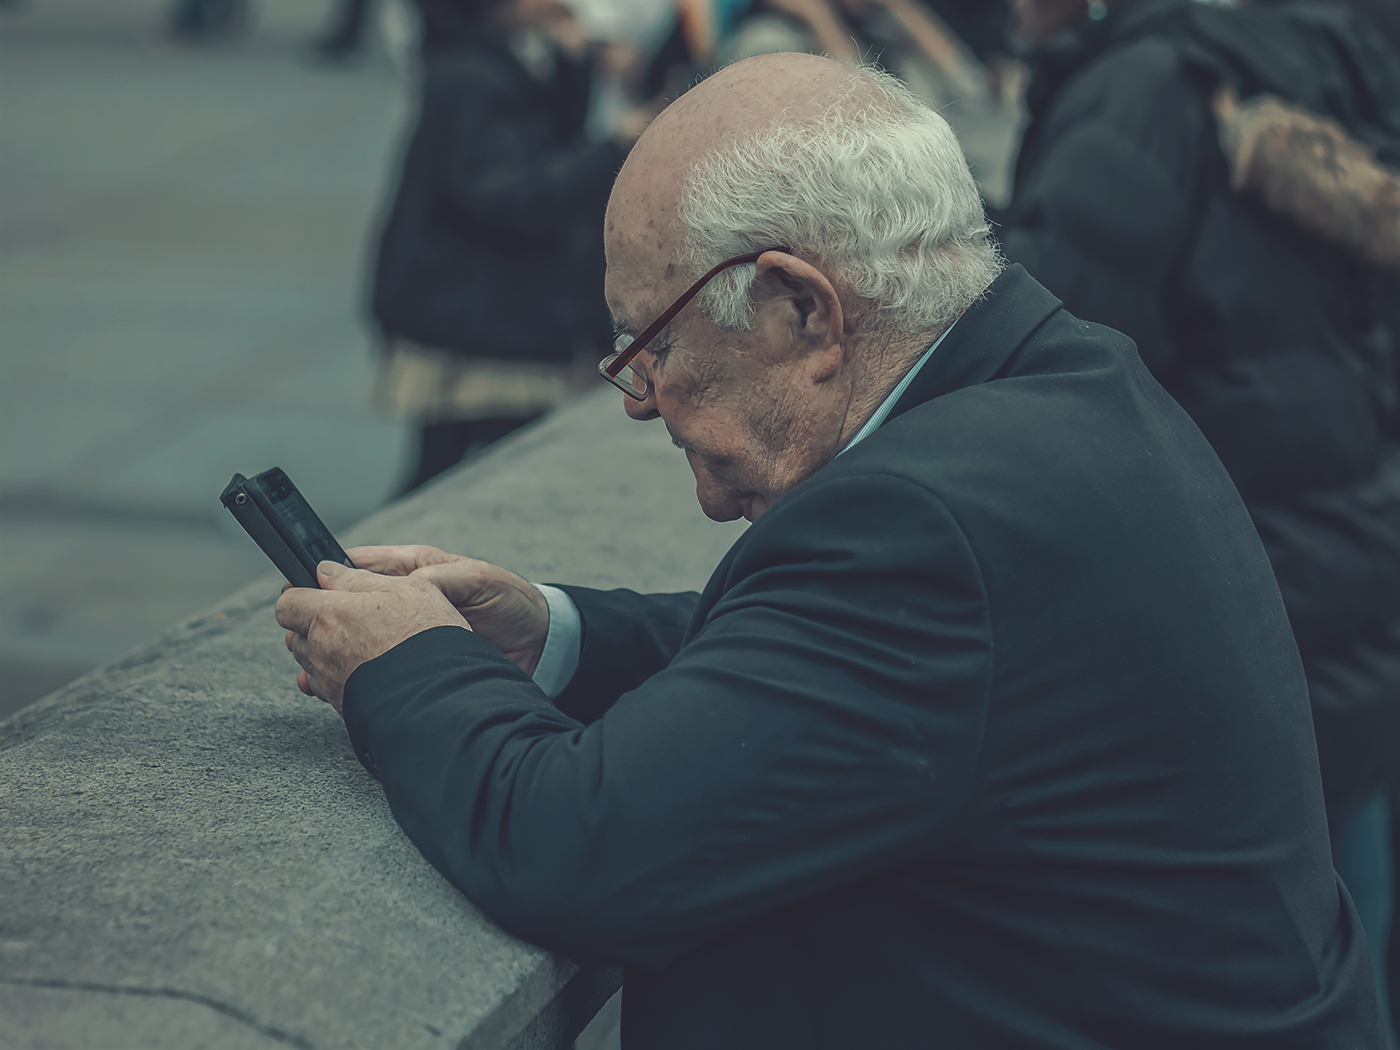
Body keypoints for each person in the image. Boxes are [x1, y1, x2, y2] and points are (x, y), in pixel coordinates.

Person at [277, 52, 1382, 1048]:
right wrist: (552, 633)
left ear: (802, 310)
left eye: (650, 344)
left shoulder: (926, 523)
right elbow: (838, 666)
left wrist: (405, 663)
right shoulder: (1056, 376)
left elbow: (574, 849)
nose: (635, 397)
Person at [994, 0, 1400, 1037]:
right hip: (1335, 573)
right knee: (1342, 942)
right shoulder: (1324, 58)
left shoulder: (1142, 89)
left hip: (1225, 599)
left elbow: (1051, 373)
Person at [369, 0, 635, 493]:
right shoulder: (468, 74)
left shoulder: (505, 54)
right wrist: (614, 147)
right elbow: (510, 196)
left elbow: (554, 134)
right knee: (465, 470)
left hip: (490, 304)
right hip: (476, 314)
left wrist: (574, 62)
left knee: (455, 466)